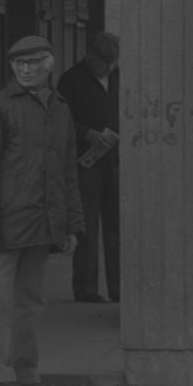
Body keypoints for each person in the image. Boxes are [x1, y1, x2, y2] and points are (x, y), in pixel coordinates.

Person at [0, 35, 84, 386]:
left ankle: (25, 370)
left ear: (49, 64)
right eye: (19, 63)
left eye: (33, 63)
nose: (25, 69)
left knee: (31, 299)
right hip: (7, 218)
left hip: (44, 217)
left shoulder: (60, 108)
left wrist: (71, 224)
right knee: (0, 297)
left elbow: (68, 169)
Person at [56, 31, 121, 303]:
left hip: (117, 162)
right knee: (87, 228)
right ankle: (86, 288)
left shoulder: (121, 78)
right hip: (85, 163)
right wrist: (87, 134)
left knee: (117, 228)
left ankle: (120, 288)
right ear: (90, 56)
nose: (108, 68)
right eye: (103, 62)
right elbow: (60, 122)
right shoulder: (71, 80)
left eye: (112, 63)